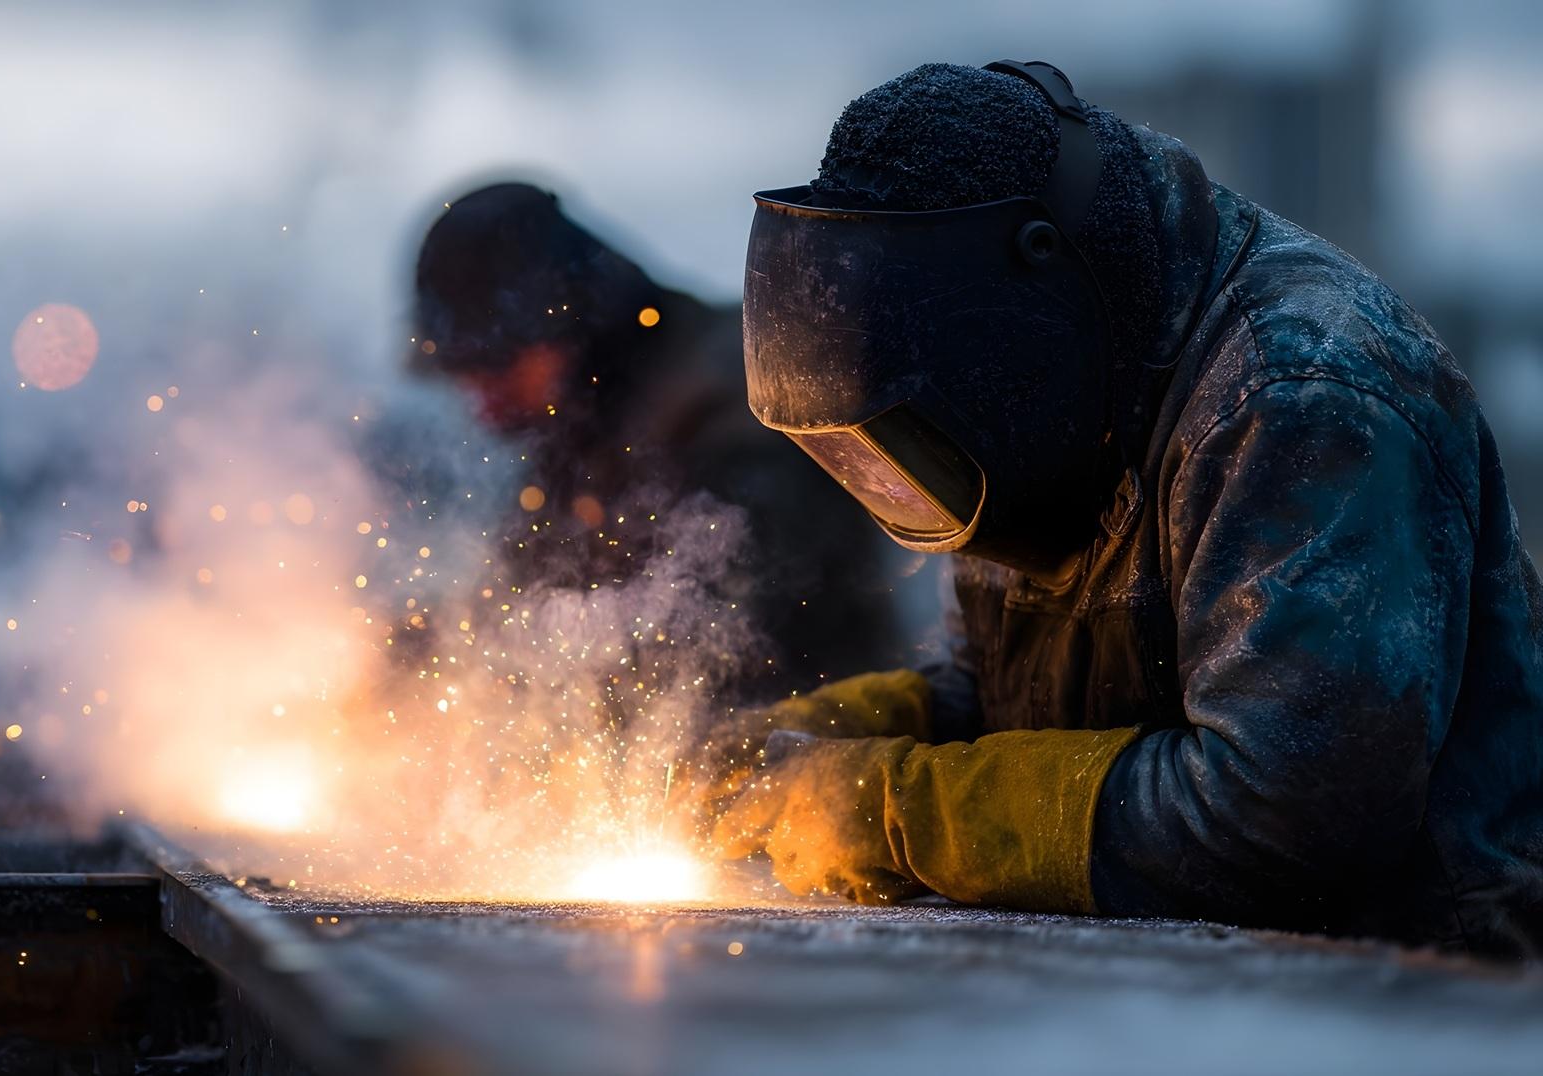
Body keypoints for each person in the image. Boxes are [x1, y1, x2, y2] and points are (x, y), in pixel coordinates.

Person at [698, 61, 1543, 957]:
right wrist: (815, 743)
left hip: (1432, 992)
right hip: (1214, 985)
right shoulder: (1021, 394)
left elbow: (1285, 815)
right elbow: (1009, 695)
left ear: (1031, 307)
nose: (897, 495)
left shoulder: (1301, 396)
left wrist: (890, 808)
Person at [406, 182, 902, 693]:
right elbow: (505, 603)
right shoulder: (583, 425)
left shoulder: (743, 394)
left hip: (825, 738)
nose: (483, 404)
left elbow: (733, 620)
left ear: (570, 322)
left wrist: (518, 667)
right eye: (462, 374)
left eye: (498, 365)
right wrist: (393, 659)